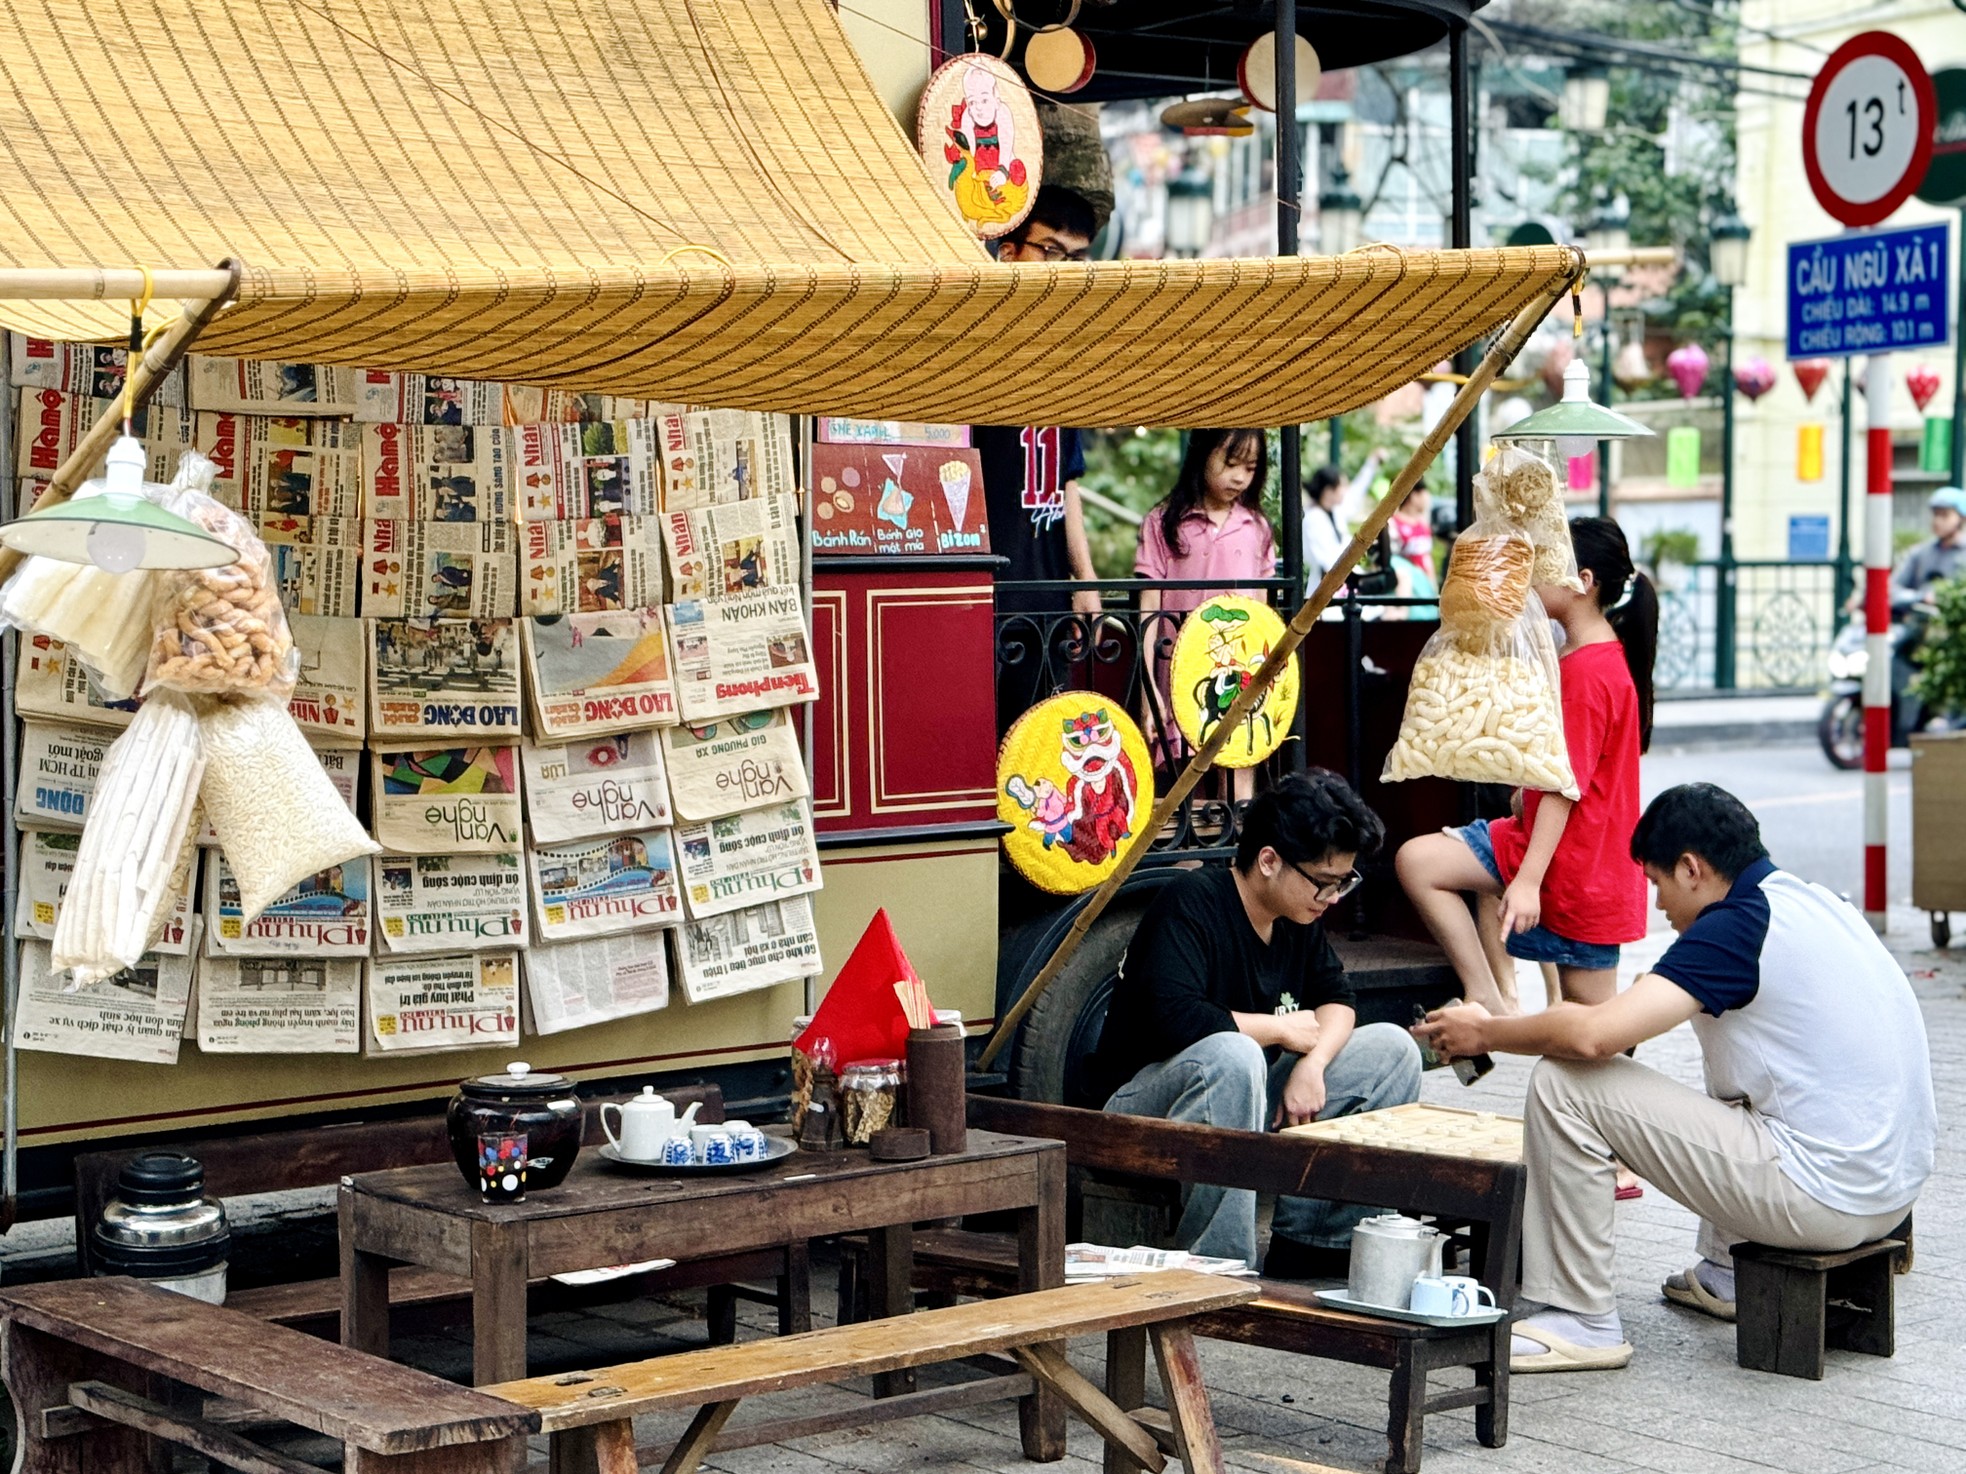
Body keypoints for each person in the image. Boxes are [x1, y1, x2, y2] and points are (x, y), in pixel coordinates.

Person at [1415, 784, 1934, 1373]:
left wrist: (1485, 1034)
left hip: (1823, 1202)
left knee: (1567, 1082)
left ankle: (1580, 1319)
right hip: (1891, 1194)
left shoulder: (1734, 927)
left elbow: (1594, 1037)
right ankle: (1723, 1276)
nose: (1657, 903)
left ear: (1691, 868)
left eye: (1656, 882)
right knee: (1743, 1080)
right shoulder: (1816, 904)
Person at [1089, 770, 1424, 1275]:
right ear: (1269, 860)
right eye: (1324, 882)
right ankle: (1220, 1264)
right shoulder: (1191, 902)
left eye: (1342, 883)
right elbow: (1176, 1017)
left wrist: (1313, 1064)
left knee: (1393, 1049)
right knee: (1235, 1052)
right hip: (1144, 1101)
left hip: (1250, 1088)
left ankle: (1314, 1243)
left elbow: (1338, 999)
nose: (1332, 898)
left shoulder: (1299, 918)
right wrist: (1281, 1030)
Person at [1396, 518, 1658, 1012]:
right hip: (1547, 844)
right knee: (1418, 860)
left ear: (1583, 582)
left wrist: (1529, 881)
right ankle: (1488, 1000)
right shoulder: (1584, 655)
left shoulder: (1588, 672)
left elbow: (1564, 785)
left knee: (1586, 1039)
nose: (1529, 577)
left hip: (1577, 866)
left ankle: (1645, 1005)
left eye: (1543, 566)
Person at [977, 186, 1102, 728]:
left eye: (1077, 259)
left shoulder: (1066, 360)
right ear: (1009, 251)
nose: (1064, 270)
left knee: (1041, 743)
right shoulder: (978, 349)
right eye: (1051, 252)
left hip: (1048, 594)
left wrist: (1085, 580)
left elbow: (1066, 482)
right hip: (984, 591)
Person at [1135, 429, 1275, 773]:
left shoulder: (1257, 528)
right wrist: (1148, 691)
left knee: (1241, 771)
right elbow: (1148, 610)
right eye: (1230, 464)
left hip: (1243, 675)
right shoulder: (1163, 523)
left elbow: (1265, 616)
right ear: (1203, 454)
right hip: (1183, 677)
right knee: (1186, 777)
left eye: (1250, 467)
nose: (1240, 477)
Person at [1300, 450, 1383, 588]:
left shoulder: (1334, 512)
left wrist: (1371, 464)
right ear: (1328, 491)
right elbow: (1325, 562)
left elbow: (1356, 493)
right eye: (1342, 486)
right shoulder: (1313, 519)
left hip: (1344, 583)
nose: (1346, 490)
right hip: (1327, 589)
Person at [1891, 485, 1965, 610]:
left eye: (1945, 515)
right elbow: (1891, 590)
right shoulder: (1920, 552)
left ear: (1962, 518)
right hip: (1917, 622)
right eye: (1935, 514)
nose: (1937, 521)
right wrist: (1921, 597)